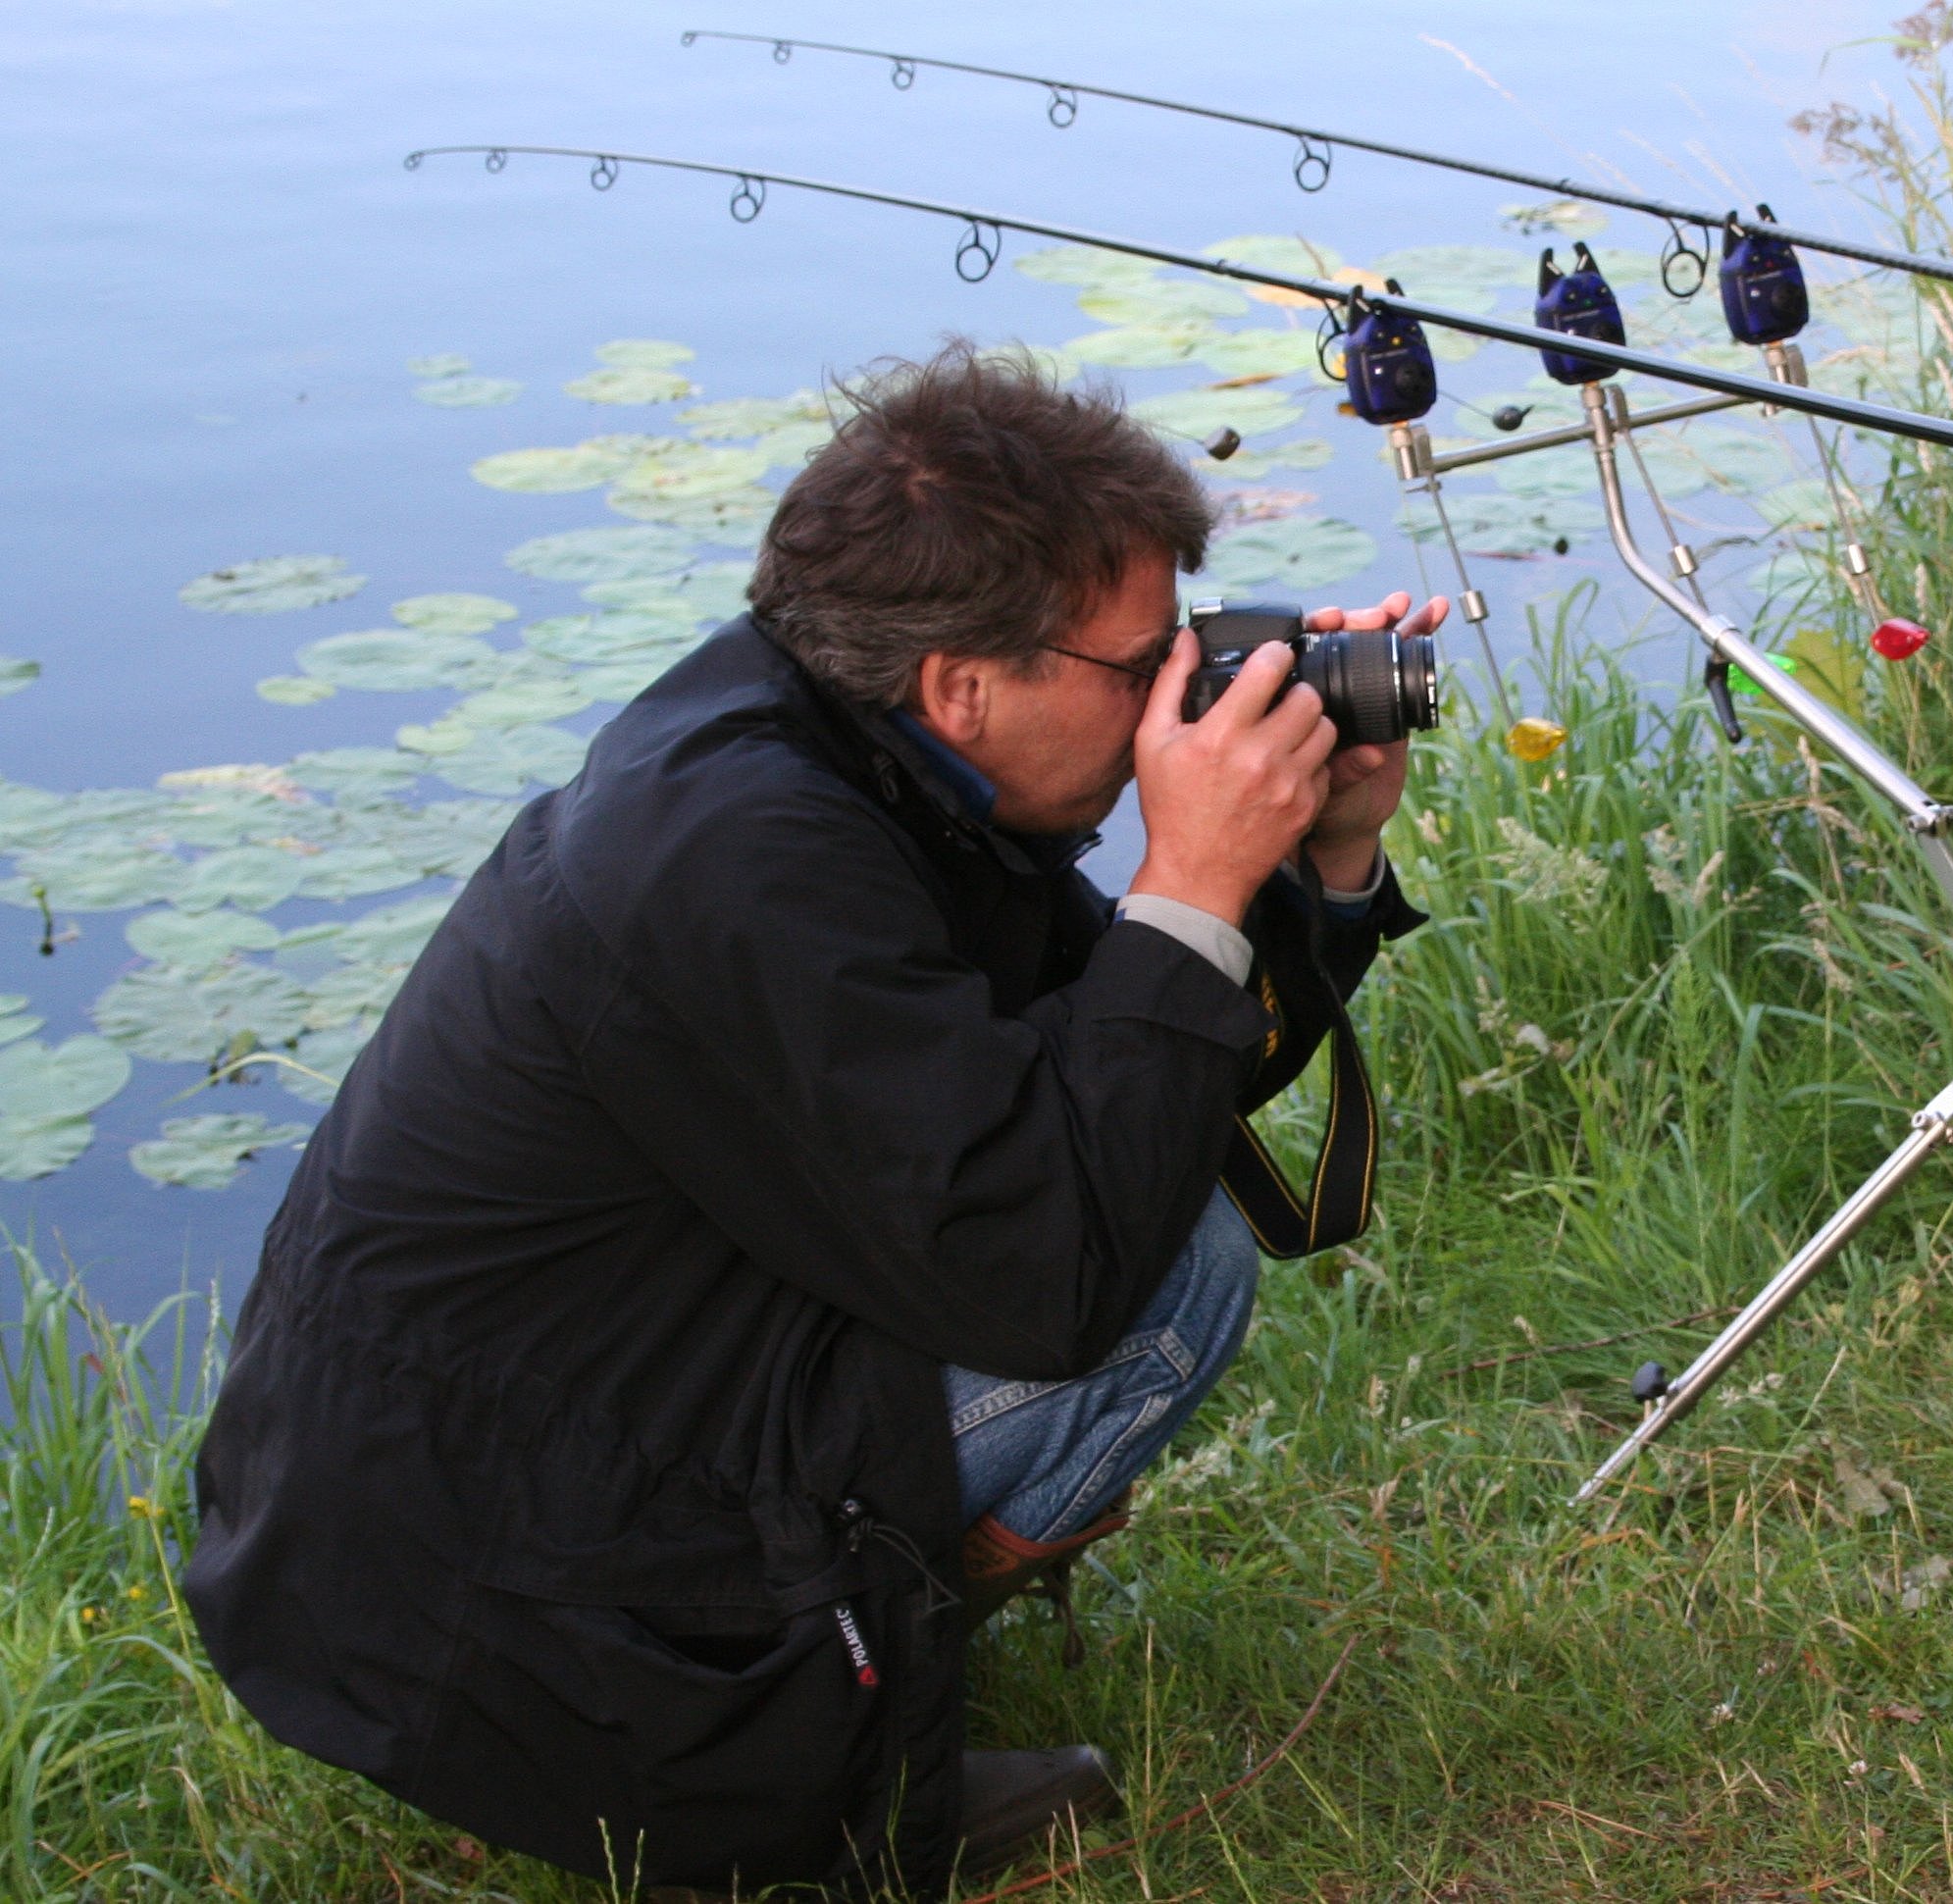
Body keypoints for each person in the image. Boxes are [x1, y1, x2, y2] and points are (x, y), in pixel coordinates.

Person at [184, 342, 1439, 1898]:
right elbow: (1054, 1266)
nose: (1180, 691)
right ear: (964, 682)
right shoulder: (749, 859)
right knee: (1163, 1289)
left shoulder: (860, 752)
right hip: (457, 1579)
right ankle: (793, 1764)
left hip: (543, 1418)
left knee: (1141, 1212)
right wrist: (1185, 885)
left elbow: (1136, 1089)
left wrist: (1317, 862)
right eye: (1143, 664)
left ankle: (834, 1683)